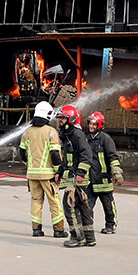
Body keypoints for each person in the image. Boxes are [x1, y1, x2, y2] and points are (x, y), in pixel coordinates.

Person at [18, 100, 66, 237]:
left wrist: (29, 166)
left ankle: (36, 230)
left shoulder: (27, 132)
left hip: (32, 175)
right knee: (54, 201)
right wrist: (58, 171)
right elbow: (55, 154)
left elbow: (22, 153)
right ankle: (58, 230)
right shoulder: (51, 132)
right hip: (48, 175)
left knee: (36, 201)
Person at [55, 104, 96, 247]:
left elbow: (87, 155)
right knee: (83, 207)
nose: (60, 121)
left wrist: (80, 173)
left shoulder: (76, 135)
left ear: (71, 119)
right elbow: (67, 158)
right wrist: (59, 172)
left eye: (63, 119)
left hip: (76, 179)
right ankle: (89, 238)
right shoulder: (69, 135)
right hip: (73, 177)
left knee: (70, 207)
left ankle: (77, 237)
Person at [85, 110, 123, 234]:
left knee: (108, 205)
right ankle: (87, 227)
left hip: (103, 178)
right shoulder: (86, 138)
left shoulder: (106, 139)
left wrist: (117, 172)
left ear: (99, 125)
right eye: (90, 123)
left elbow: (113, 156)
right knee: (87, 205)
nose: (91, 126)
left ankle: (110, 226)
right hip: (90, 179)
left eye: (94, 124)